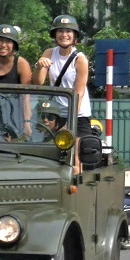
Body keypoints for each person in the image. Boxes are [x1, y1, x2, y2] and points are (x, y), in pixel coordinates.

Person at [32, 15, 92, 174]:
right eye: (60, 31)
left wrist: (70, 122)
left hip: (77, 114)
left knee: (74, 159)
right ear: (55, 35)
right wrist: (40, 65)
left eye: (68, 31)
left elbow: (78, 93)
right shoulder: (50, 52)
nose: (64, 35)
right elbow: (37, 83)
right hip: (56, 113)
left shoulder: (80, 59)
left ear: (74, 36)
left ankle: (75, 194)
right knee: (53, 155)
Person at [0, 24, 32, 139]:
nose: (3, 45)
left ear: (14, 45)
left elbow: (26, 96)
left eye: (8, 41)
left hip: (17, 116)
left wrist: (27, 122)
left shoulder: (21, 64)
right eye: (0, 40)